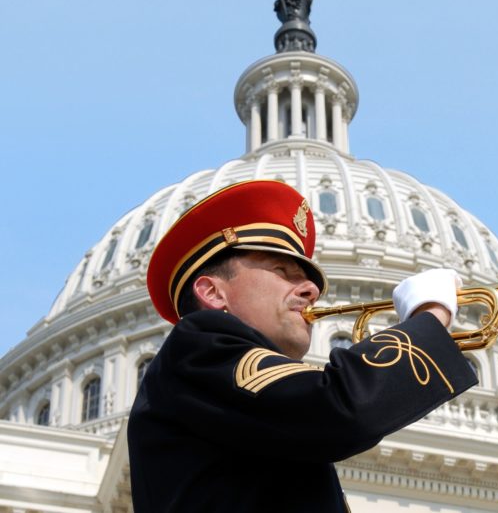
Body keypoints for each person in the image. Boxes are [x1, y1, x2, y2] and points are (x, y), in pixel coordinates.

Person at [128, 179, 477, 512]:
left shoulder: (250, 407)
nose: (311, 289)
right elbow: (340, 408)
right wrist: (430, 317)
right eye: (282, 269)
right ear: (213, 293)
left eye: (306, 278)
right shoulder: (200, 343)